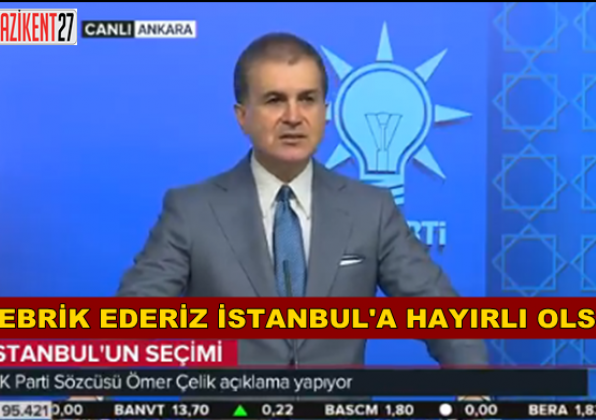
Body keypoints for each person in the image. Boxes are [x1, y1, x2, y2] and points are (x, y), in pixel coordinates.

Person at [117, 32, 488, 369]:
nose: (293, 117)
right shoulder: (191, 211)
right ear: (242, 116)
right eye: (275, 100)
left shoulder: (371, 210)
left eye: (307, 99)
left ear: (325, 112)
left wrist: (474, 388)